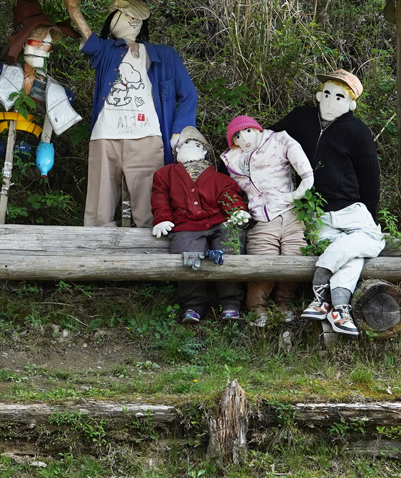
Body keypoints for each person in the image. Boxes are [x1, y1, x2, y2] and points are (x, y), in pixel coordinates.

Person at [65, 0, 197, 227]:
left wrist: (178, 133)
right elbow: (73, 9)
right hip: (105, 135)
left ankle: (146, 267)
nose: (132, 22)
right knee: (97, 214)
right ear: (113, 18)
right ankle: (95, 265)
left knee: (152, 212)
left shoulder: (165, 54)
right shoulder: (103, 51)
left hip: (148, 136)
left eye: (136, 18)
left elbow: (188, 95)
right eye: (125, 16)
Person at [271, 69, 385, 337]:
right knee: (354, 252)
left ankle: (320, 288)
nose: (332, 102)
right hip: (316, 214)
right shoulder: (301, 118)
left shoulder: (357, 131)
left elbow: (370, 178)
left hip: (351, 211)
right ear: (319, 95)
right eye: (328, 95)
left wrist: (372, 213)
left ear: (350, 104)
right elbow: (269, 138)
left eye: (340, 97)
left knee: (374, 239)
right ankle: (339, 308)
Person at [220, 114, 315, 327]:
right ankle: (256, 311)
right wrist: (236, 210)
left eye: (247, 131)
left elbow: (306, 173)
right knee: (263, 264)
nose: (243, 137)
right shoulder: (232, 160)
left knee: (294, 260)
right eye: (237, 135)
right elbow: (228, 191)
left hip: (292, 214)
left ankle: (284, 305)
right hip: (262, 219)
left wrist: (295, 196)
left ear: (257, 129)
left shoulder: (279, 140)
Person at [151, 126, 250, 323]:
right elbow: (160, 197)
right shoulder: (164, 174)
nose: (190, 147)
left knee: (228, 252)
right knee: (189, 258)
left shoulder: (219, 176)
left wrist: (236, 210)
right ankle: (192, 305)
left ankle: (230, 304)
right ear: (176, 151)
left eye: (196, 144)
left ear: (205, 151)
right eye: (185, 144)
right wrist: (162, 218)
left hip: (220, 222)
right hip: (186, 225)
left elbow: (227, 194)